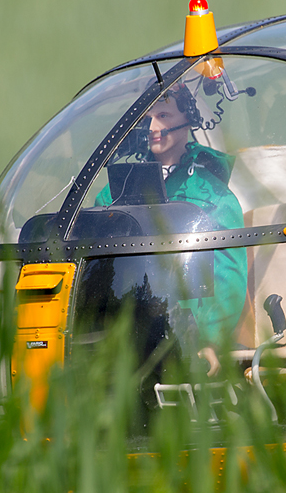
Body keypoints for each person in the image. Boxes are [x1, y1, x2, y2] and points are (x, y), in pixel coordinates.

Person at [95, 83, 247, 376]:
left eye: (163, 115)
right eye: (147, 117)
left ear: (188, 119)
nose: (153, 127)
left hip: (186, 339)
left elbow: (228, 276)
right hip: (124, 338)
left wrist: (209, 340)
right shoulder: (112, 194)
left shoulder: (214, 196)